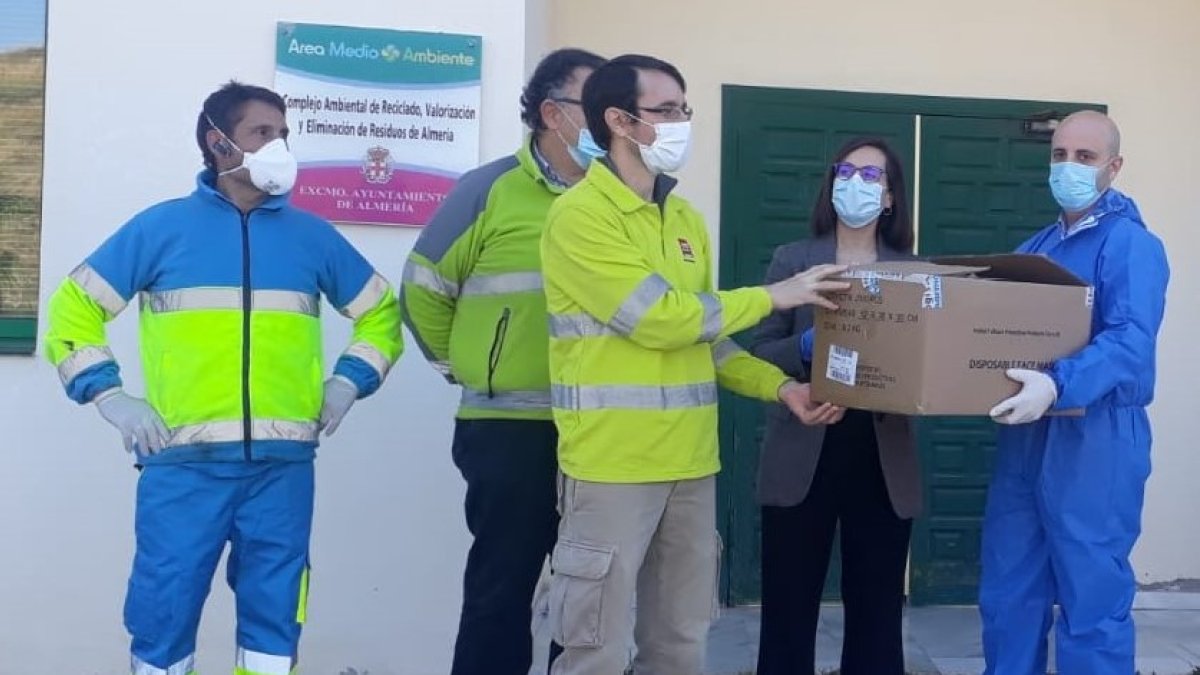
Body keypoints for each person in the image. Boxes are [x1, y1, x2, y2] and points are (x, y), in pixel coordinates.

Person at [44, 81, 404, 675]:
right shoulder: (160, 230)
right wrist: (110, 396)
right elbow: (72, 310)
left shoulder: (310, 237)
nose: (279, 147)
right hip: (183, 470)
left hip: (281, 471)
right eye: (262, 134)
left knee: (275, 622)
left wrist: (348, 382)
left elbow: (381, 314)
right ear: (218, 142)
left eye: (284, 135)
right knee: (163, 612)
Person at [539, 53, 850, 675]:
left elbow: (708, 337)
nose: (683, 121)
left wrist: (780, 387)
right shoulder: (579, 216)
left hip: (690, 464)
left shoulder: (683, 219)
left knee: (680, 641)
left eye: (685, 108)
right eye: (668, 110)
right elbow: (659, 318)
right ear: (620, 121)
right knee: (594, 644)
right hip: (611, 468)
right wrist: (773, 296)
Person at [400, 47, 606, 675]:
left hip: (604, 429)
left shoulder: (623, 200)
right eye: (595, 105)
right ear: (552, 112)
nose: (611, 119)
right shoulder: (489, 190)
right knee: (502, 588)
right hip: (510, 429)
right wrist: (469, 368)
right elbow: (422, 290)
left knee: (592, 594)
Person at [980, 110, 1170, 674]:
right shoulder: (1038, 246)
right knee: (1009, 593)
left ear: (1114, 166)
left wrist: (1058, 383)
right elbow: (979, 320)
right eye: (1059, 155)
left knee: (1092, 601)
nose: (1069, 167)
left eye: (1084, 158)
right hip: (1027, 436)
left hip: (1098, 440)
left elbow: (1130, 340)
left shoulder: (1132, 245)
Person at [749, 137, 922, 675]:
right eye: (847, 171)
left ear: (890, 197)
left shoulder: (917, 271)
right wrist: (803, 351)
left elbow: (931, 362)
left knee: (877, 609)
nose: (857, 183)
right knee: (788, 604)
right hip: (804, 445)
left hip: (880, 455)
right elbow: (754, 347)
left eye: (872, 176)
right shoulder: (794, 260)